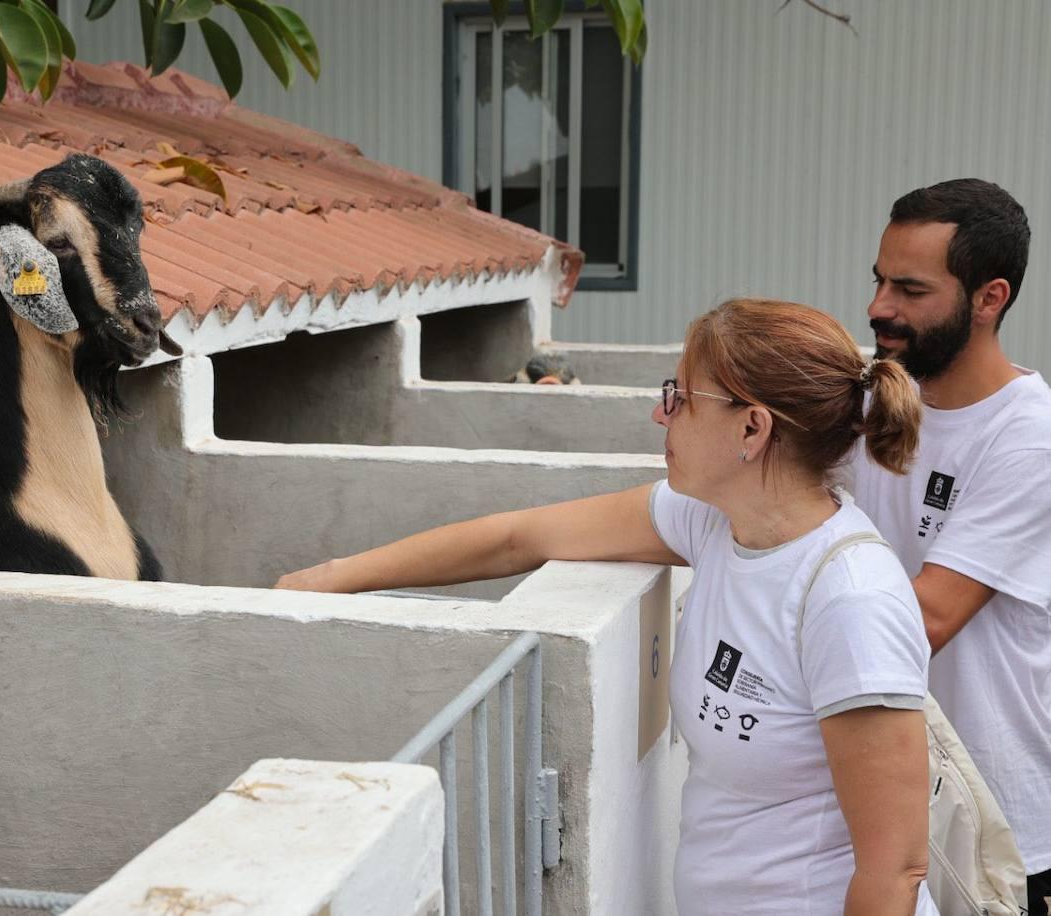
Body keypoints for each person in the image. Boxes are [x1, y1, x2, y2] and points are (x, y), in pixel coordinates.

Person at [279, 299, 936, 916]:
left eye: (681, 398)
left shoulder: (849, 597)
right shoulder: (713, 523)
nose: (661, 414)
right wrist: (331, 577)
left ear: (752, 427)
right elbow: (519, 538)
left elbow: (895, 870)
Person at [851, 178, 1051, 912]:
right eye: (879, 281)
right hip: (890, 816)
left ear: (990, 298)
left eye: (910, 289)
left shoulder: (1029, 438)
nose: (879, 307)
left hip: (1000, 837)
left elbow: (925, 618)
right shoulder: (872, 404)